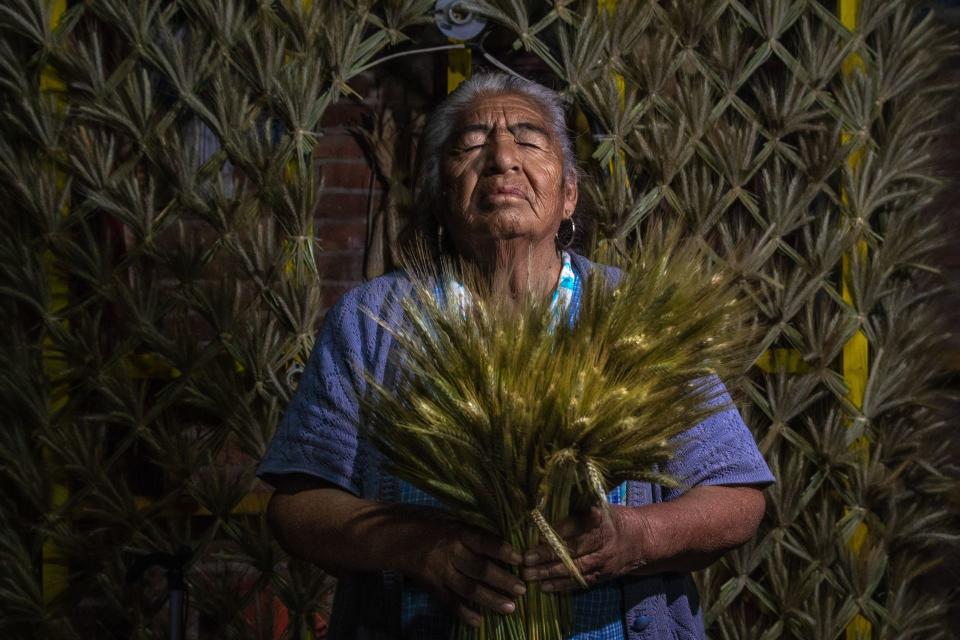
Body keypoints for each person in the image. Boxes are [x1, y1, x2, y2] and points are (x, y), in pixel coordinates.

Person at [258, 72, 774, 640]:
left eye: (529, 140)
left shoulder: (639, 317)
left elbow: (737, 497)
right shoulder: (371, 321)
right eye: (472, 144)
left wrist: (636, 537)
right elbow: (297, 506)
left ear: (568, 192)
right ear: (437, 192)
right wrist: (417, 545)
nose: (502, 158)